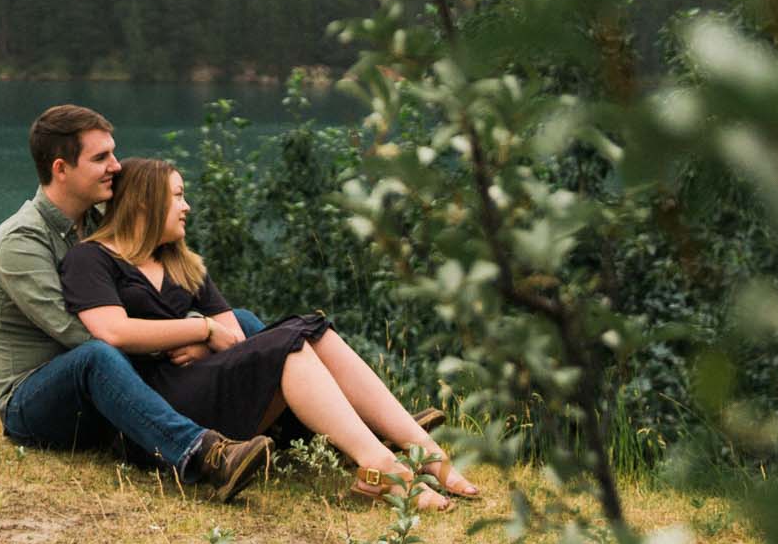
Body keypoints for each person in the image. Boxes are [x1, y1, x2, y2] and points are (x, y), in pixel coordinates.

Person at [60, 158, 478, 508]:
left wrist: (204, 345)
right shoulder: (92, 259)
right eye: (177, 196)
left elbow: (233, 336)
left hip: (199, 383)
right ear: (144, 203)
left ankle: (424, 451)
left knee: (312, 329)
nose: (186, 206)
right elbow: (113, 333)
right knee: (288, 344)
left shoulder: (181, 263)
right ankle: (381, 467)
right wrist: (199, 328)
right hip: (155, 408)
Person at [0, 105, 272, 500]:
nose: (116, 166)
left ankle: (297, 432)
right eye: (100, 158)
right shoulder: (21, 241)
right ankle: (204, 455)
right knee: (97, 356)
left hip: (117, 381)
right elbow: (82, 335)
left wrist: (202, 334)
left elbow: (151, 297)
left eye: (113, 154)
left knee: (243, 323)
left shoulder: (101, 223)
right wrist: (192, 332)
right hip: (37, 402)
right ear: (61, 169)